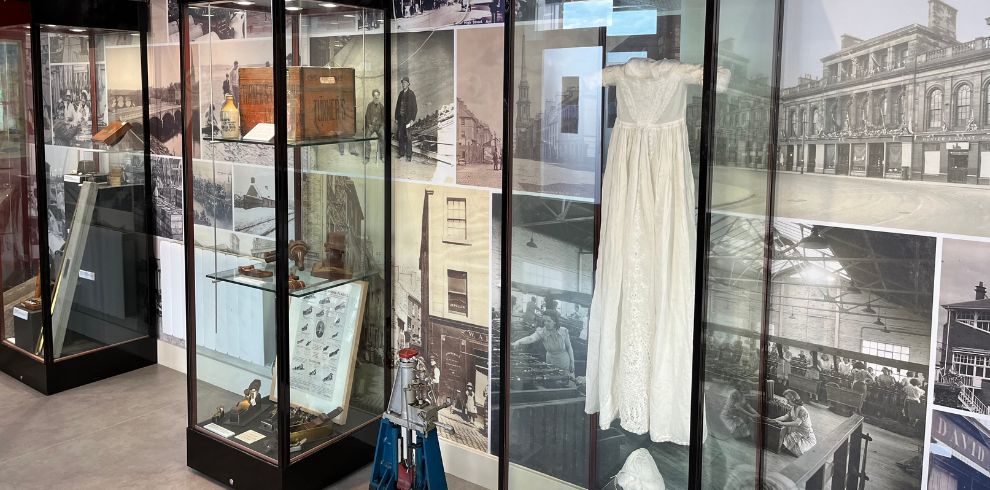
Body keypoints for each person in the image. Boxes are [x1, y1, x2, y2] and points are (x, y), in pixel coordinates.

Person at [774, 389, 817, 457]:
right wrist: (775, 420)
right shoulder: (793, 408)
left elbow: (797, 423)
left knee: (800, 451)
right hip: (797, 432)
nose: (787, 402)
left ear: (794, 399)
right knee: (786, 441)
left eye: (788, 400)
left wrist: (782, 423)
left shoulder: (802, 410)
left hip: (805, 434)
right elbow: (785, 417)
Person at [395, 76, 417, 162]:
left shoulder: (411, 94)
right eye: (402, 83)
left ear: (408, 84)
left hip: (408, 120)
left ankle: (408, 156)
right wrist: (396, 117)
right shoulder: (400, 94)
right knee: (400, 136)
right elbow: (397, 106)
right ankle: (401, 153)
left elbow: (415, 108)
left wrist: (412, 119)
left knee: (408, 137)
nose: (403, 84)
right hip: (400, 119)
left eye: (405, 83)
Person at [364, 88, 385, 163]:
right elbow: (367, 116)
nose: (376, 97)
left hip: (379, 126)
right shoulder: (369, 105)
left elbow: (383, 118)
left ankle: (382, 156)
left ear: (379, 96)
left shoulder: (382, 106)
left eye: (378, 95)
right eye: (375, 95)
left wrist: (382, 126)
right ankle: (367, 157)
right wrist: (369, 124)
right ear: (373, 96)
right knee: (367, 137)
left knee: (383, 136)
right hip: (371, 126)